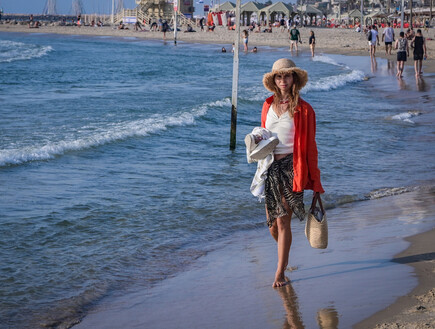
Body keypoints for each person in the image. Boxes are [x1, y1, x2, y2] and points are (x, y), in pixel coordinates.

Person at [250, 58, 324, 287]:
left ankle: (280, 273)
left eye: (287, 76)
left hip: (294, 166)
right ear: (274, 80)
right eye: (279, 76)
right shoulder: (266, 105)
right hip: (270, 167)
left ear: (294, 79)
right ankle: (285, 252)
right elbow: (264, 135)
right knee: (272, 224)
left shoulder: (305, 109)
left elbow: (311, 147)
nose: (283, 80)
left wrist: (316, 183)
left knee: (283, 222)